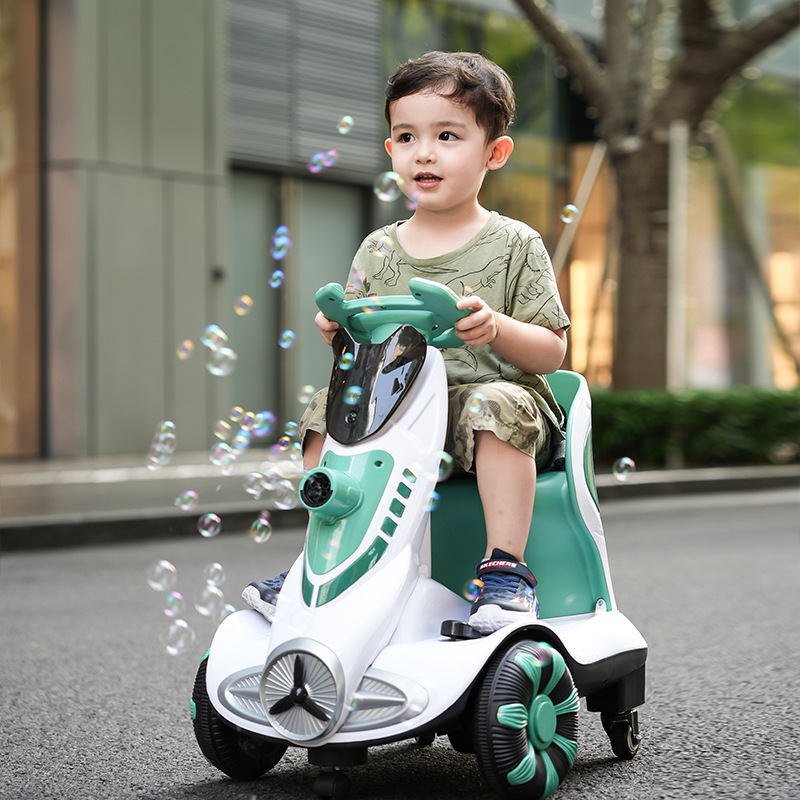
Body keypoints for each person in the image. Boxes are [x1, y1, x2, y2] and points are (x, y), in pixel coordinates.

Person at [243, 51, 570, 634]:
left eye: (448, 135)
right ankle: (325, 562)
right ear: (391, 150)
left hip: (492, 408)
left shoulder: (516, 243)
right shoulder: (377, 249)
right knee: (329, 407)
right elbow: (361, 347)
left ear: (493, 152)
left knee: (494, 402)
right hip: (399, 402)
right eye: (406, 136)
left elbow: (552, 352)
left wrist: (495, 327)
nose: (425, 151)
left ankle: (506, 573)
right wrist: (340, 332)